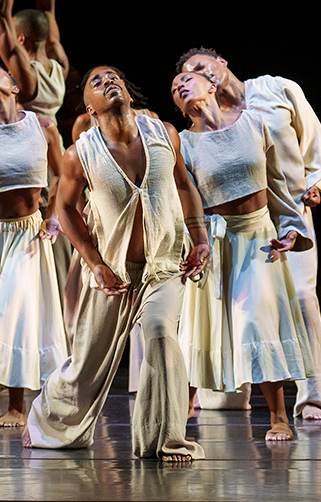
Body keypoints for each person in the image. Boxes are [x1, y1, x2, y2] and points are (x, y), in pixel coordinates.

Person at [23, 66, 209, 462]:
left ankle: (166, 439)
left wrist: (201, 238)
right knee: (89, 358)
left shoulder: (165, 136)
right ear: (89, 108)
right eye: (96, 81)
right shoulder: (80, 154)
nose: (108, 81)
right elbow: (66, 209)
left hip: (163, 266)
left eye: (114, 77)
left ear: (126, 88)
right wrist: (95, 263)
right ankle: (47, 419)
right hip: (114, 272)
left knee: (160, 334)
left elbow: (183, 186)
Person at [178, 48, 321, 421]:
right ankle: (230, 393)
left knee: (298, 297)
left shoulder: (275, 90)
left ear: (222, 63)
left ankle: (311, 396)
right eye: (184, 75)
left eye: (200, 67)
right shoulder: (193, 134)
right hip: (227, 227)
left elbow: (315, 139)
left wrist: (317, 182)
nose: (197, 75)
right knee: (240, 310)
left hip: (287, 212)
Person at [0, 63, 66, 427]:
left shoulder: (43, 126)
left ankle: (17, 402)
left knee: (16, 313)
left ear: (16, 87)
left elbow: (64, 175)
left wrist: (53, 215)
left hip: (28, 233)